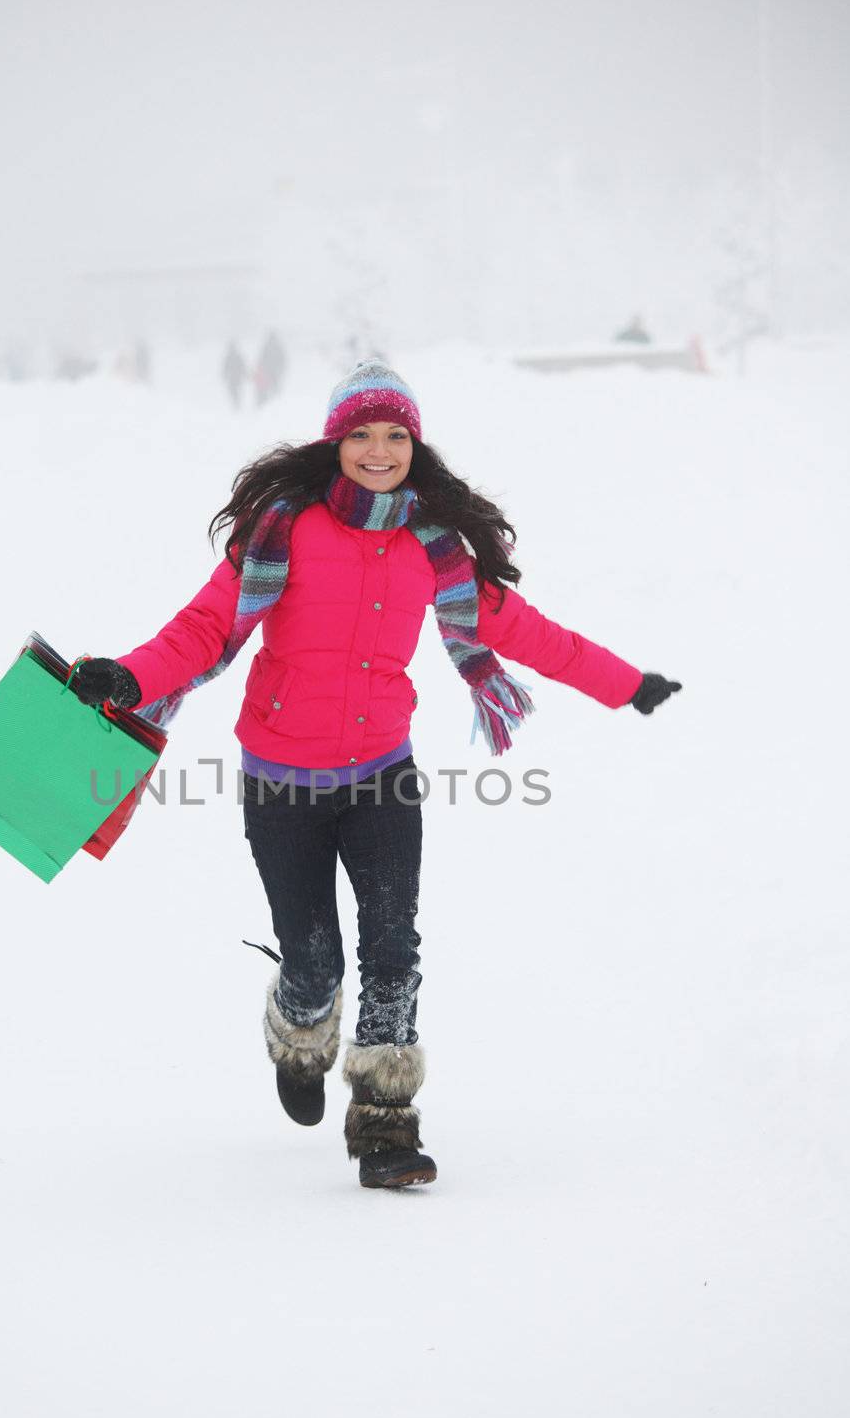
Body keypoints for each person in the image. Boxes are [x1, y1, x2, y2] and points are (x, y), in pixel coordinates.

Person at [71, 362, 682, 1190]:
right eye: (360, 433)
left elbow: (528, 632)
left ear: (414, 445)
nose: (378, 449)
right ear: (335, 443)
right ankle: (297, 1029)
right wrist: (129, 678)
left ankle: (386, 1122)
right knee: (314, 958)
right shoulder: (282, 531)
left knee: (392, 947)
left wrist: (626, 683)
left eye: (395, 434)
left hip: (381, 778)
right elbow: (206, 625)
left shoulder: (435, 549)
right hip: (280, 781)